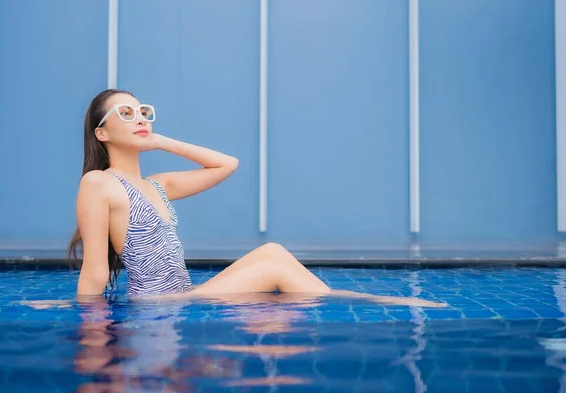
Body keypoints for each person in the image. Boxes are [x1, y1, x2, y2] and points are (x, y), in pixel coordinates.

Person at [65, 88, 446, 308]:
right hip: (156, 305)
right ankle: (358, 302)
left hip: (183, 295)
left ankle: (346, 298)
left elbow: (226, 165)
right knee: (274, 268)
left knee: (273, 253)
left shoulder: (159, 183)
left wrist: (160, 140)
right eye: (126, 113)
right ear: (102, 133)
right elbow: (96, 270)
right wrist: (90, 334)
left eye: (144, 112)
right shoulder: (99, 183)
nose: (140, 118)